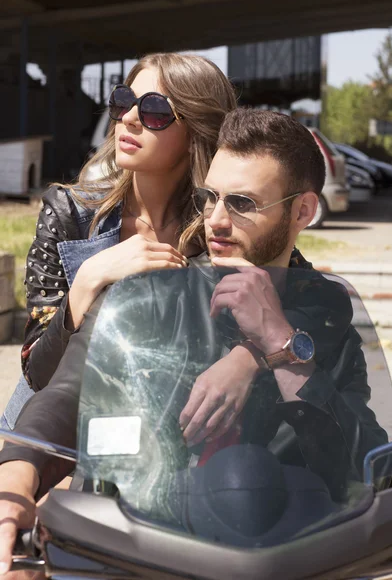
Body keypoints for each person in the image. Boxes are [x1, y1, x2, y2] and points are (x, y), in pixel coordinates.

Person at [0, 109, 392, 568]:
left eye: (242, 203)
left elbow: (370, 467)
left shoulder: (324, 322)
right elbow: (67, 394)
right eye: (210, 198)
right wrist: (14, 488)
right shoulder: (146, 295)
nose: (216, 220)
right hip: (138, 552)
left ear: (303, 210)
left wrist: (277, 344)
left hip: (292, 558)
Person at [0, 52, 237, 431]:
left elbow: (306, 304)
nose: (128, 118)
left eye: (155, 110)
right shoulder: (68, 213)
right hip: (53, 430)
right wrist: (89, 280)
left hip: (163, 434)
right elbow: (37, 373)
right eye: (124, 101)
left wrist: (247, 358)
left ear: (197, 130)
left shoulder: (224, 226)